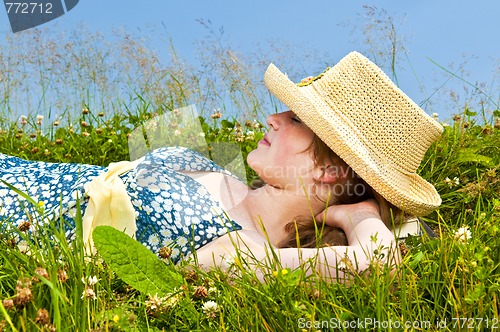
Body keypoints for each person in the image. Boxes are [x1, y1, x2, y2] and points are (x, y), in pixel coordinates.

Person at [0, 51, 443, 280]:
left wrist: (359, 212)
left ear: (333, 170)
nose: (273, 117)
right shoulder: (226, 171)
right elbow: (139, 145)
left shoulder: (245, 249)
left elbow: (378, 265)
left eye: (297, 119)